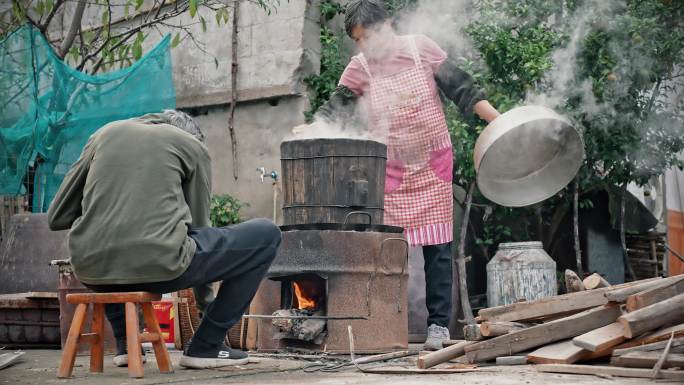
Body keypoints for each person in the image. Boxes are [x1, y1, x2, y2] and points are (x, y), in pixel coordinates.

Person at [297, 0, 500, 350]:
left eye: (369, 35)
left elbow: (462, 89)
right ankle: (389, 323)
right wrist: (311, 128)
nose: (365, 45)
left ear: (387, 24)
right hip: (390, 171)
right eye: (358, 40)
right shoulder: (360, 66)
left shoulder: (421, 49)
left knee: (438, 248)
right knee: (390, 250)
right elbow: (338, 106)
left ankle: (438, 327)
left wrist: (500, 122)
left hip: (432, 165)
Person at [47, 110, 282, 368]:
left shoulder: (103, 134)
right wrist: (205, 304)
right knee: (266, 235)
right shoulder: (192, 147)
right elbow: (199, 227)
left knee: (114, 247)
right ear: (191, 136)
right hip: (162, 267)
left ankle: (127, 345)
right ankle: (207, 346)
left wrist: (107, 212)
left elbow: (56, 217)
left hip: (90, 269)